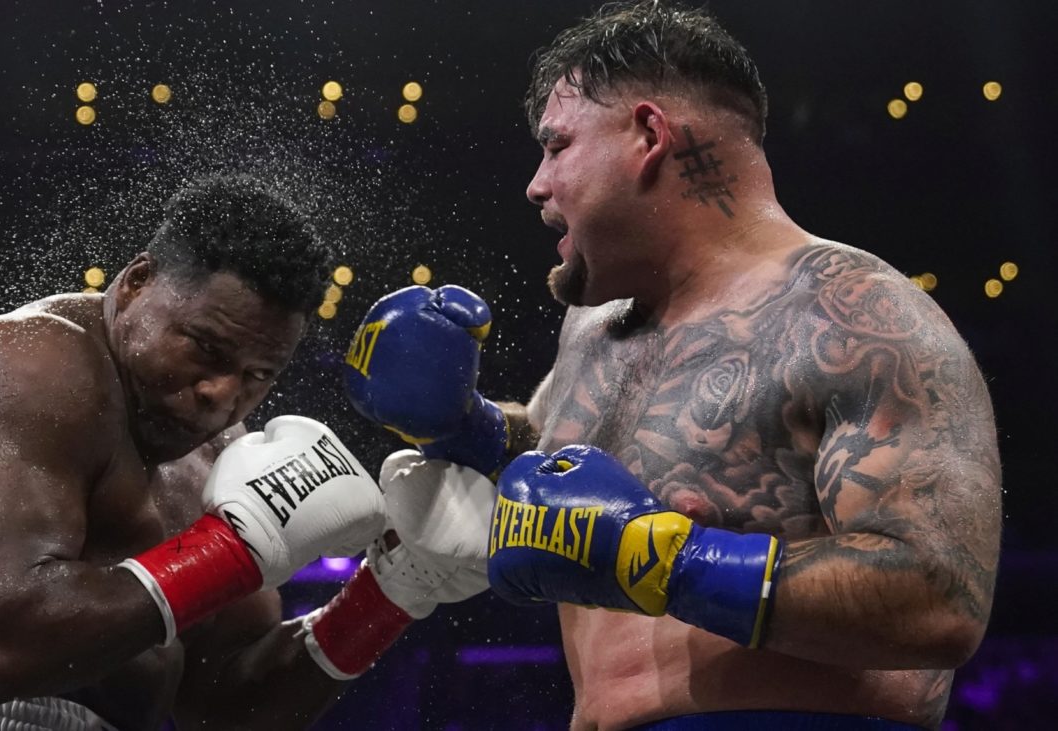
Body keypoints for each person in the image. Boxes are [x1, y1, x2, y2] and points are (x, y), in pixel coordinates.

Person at [342, 2, 1002, 728]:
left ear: (648, 135)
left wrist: (662, 560)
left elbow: (943, 597)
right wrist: (464, 424)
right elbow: (564, 477)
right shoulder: (595, 328)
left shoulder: (850, 312)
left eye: (556, 146)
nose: (535, 183)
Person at [0, 175, 490, 731]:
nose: (221, 395)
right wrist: (230, 552)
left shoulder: (222, 461)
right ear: (136, 284)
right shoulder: (34, 366)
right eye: (205, 349)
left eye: (258, 375)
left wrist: (391, 589)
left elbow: (224, 710)